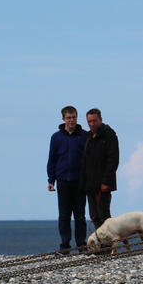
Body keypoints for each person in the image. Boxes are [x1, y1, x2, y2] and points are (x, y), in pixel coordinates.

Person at [47, 106, 89, 254]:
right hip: (63, 179)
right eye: (69, 117)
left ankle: (81, 245)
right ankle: (65, 245)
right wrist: (51, 179)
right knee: (64, 215)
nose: (71, 120)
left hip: (79, 180)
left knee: (80, 215)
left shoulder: (84, 135)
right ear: (63, 119)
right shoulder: (56, 137)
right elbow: (52, 159)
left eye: (74, 117)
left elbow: (88, 159)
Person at [80, 108, 120, 233]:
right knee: (94, 215)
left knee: (104, 215)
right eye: (89, 121)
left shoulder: (109, 135)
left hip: (103, 183)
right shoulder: (88, 137)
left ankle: (109, 245)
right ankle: (101, 245)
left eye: (94, 121)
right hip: (90, 183)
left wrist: (106, 181)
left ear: (101, 120)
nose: (92, 124)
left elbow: (113, 159)